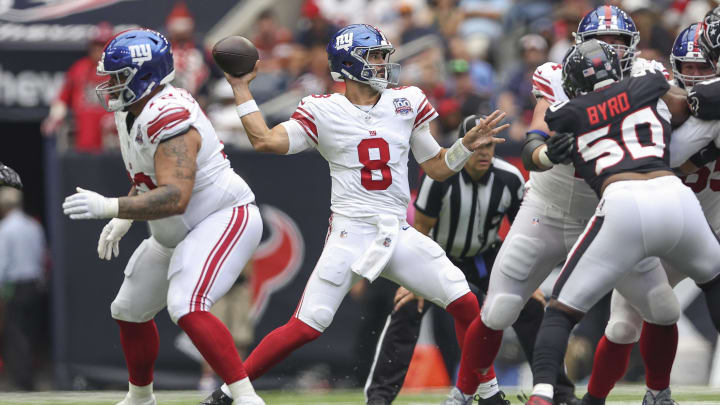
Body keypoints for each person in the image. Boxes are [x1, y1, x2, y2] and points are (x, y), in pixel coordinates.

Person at [203, 24, 508, 405]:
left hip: (397, 229)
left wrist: (463, 146)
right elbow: (264, 139)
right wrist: (240, 87)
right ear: (349, 64)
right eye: (375, 56)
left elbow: (437, 167)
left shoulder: (406, 101)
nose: (383, 63)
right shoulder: (324, 109)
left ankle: (487, 393)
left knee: (466, 303)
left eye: (383, 56)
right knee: (306, 326)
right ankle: (229, 391)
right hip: (351, 231)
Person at [445, 6, 681, 403]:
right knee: (500, 307)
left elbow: (683, 111)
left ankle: (658, 393)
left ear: (634, 47)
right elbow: (535, 138)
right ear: (577, 46)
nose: (609, 49)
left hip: (611, 216)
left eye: (619, 41)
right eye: (601, 41)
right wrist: (547, 153)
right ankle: (464, 395)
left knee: (661, 307)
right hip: (549, 210)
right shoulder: (556, 76)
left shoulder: (646, 76)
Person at [60, 29, 265, 405]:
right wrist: (126, 212)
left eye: (117, 77)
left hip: (220, 217)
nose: (108, 85)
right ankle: (141, 398)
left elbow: (176, 196)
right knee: (128, 308)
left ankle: (247, 398)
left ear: (145, 76)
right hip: (176, 229)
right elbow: (149, 180)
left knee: (187, 304)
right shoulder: (132, 112)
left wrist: (111, 207)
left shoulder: (168, 115)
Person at [524, 39, 720, 405]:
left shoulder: (567, 113)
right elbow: (688, 105)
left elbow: (540, 138)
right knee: (714, 281)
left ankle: (542, 396)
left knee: (561, 310)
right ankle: (654, 394)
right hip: (676, 197)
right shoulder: (648, 84)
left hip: (624, 203)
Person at [364, 114, 577, 405]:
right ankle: (379, 398)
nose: (484, 152)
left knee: (531, 307)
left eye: (489, 145)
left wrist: (529, 282)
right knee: (407, 307)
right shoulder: (440, 178)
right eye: (477, 145)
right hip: (439, 256)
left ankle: (560, 393)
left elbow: (522, 233)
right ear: (464, 145)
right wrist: (412, 281)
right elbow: (421, 229)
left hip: (487, 257)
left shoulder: (509, 178)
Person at [581, 21, 720, 405]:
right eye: (686, 68)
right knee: (625, 323)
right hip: (670, 226)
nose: (693, 76)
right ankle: (601, 397)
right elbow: (660, 158)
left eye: (701, 66)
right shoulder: (656, 95)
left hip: (712, 221)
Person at [0, 187, 47, 390]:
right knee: (31, 332)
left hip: (16, 288)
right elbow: (42, 257)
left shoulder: (5, 229)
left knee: (16, 334)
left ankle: (23, 381)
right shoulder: (33, 226)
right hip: (35, 286)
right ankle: (29, 377)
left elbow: (2, 263)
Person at [42, 22, 115, 152]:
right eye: (95, 45)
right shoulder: (79, 68)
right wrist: (54, 118)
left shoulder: (119, 69)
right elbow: (62, 98)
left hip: (112, 141)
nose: (98, 50)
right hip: (84, 137)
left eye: (103, 45)